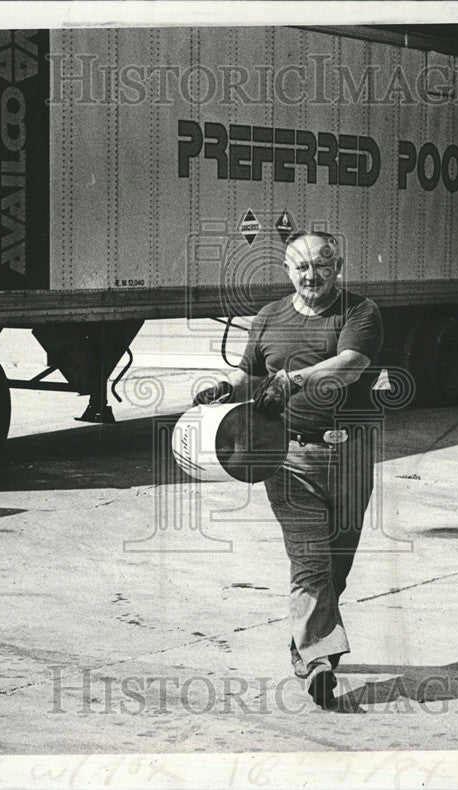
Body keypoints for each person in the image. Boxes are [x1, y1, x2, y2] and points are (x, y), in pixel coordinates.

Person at [193, 230, 384, 708]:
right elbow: (248, 373)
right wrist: (224, 387)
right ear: (286, 270)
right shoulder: (268, 317)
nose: (311, 275)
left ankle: (305, 645)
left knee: (337, 563)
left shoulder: (360, 312)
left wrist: (291, 380)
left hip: (351, 455)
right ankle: (319, 661)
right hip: (288, 457)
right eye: (300, 266)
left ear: (338, 267)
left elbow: (350, 365)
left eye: (321, 265)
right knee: (310, 562)